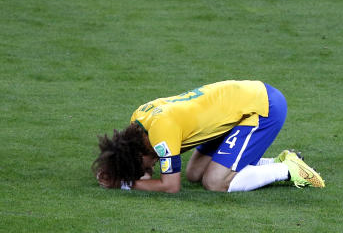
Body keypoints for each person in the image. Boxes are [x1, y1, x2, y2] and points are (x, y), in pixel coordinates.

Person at [93, 80, 325, 193]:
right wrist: (115, 168)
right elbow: (150, 163)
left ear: (137, 154)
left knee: (214, 182)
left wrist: (124, 183)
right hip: (234, 109)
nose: (152, 166)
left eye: (145, 165)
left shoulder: (162, 136)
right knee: (194, 174)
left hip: (262, 108)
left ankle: (291, 170)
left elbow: (171, 186)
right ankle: (276, 160)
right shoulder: (140, 120)